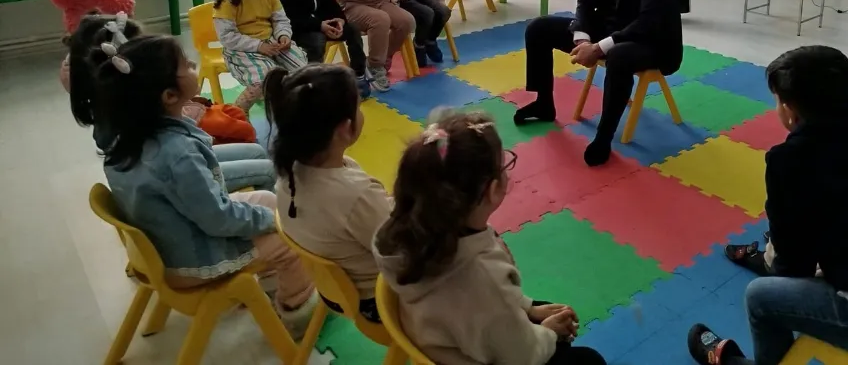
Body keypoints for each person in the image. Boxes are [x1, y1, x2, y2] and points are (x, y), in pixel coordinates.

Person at [689, 46, 848, 365]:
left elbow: (793, 267)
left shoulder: (788, 160)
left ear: (789, 110)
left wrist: (787, 270)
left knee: (760, 296)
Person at [92, 33, 317, 336]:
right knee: (292, 239)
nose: (193, 65)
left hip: (168, 242)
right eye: (186, 65)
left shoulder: (128, 136)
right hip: (195, 260)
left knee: (267, 200)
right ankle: (297, 313)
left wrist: (267, 217)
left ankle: (269, 283)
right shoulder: (177, 155)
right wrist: (275, 223)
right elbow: (218, 219)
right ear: (169, 96)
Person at [373, 110, 606, 365]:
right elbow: (522, 356)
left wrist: (527, 307)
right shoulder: (482, 276)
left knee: (548, 312)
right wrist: (549, 333)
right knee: (588, 360)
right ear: (493, 190)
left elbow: (489, 306)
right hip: (486, 346)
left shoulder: (412, 229)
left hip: (442, 332)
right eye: (503, 165)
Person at [514, 0, 682, 167]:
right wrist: (582, 38)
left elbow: (650, 20)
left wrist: (600, 47)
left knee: (618, 56)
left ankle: (604, 136)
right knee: (538, 28)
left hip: (652, 40)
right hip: (613, 28)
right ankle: (544, 103)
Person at [66, 13, 276, 192]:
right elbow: (214, 208)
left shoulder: (119, 110)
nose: (192, 64)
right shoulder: (162, 133)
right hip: (188, 180)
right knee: (266, 169)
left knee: (257, 153)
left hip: (185, 167)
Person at [266, 64, 391, 322]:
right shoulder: (355, 195)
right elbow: (403, 248)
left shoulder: (289, 171)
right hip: (379, 301)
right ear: (344, 129)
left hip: (334, 292)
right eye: (358, 108)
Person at [212, 0, 308, 113]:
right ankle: (238, 113)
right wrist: (258, 46)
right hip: (242, 49)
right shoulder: (228, 0)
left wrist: (283, 35)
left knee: (303, 71)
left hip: (272, 42)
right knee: (265, 79)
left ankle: (293, 111)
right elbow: (227, 37)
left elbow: (280, 19)